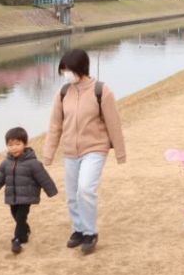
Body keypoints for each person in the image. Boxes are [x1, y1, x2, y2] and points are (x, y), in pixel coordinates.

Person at [43, 49, 126, 255]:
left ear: (81, 68)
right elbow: (55, 125)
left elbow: (113, 123)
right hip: (70, 151)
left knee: (86, 189)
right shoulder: (63, 93)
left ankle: (90, 233)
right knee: (72, 195)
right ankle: (78, 229)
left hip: (95, 148)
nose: (65, 74)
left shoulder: (101, 91)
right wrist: (48, 153)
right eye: (63, 70)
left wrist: (120, 153)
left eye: (68, 69)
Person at [0, 126, 58, 254]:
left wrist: (51, 190)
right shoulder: (6, 162)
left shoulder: (33, 163)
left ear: (25, 144)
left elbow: (43, 177)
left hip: (27, 196)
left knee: (20, 217)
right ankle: (25, 231)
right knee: (15, 215)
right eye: (10, 145)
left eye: (18, 144)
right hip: (12, 196)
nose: (14, 147)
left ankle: (17, 240)